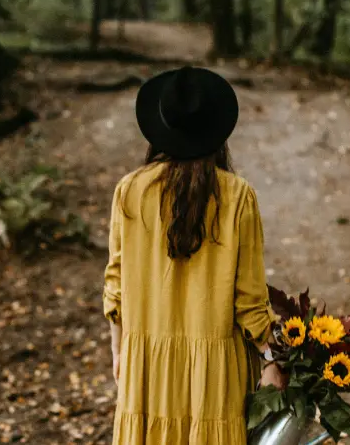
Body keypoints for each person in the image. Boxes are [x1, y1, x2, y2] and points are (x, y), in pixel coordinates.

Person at [103, 66, 284, 445]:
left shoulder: (130, 191)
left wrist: (120, 351)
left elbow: (115, 287)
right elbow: (250, 299)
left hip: (147, 370)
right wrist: (271, 360)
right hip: (213, 376)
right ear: (216, 132)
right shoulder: (237, 196)